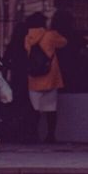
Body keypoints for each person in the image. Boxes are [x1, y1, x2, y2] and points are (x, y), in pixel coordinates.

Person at [24, 12, 67, 144]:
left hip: (34, 79)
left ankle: (33, 135)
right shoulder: (50, 35)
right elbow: (64, 42)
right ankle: (50, 136)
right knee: (51, 109)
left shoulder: (28, 37)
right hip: (50, 78)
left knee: (35, 110)